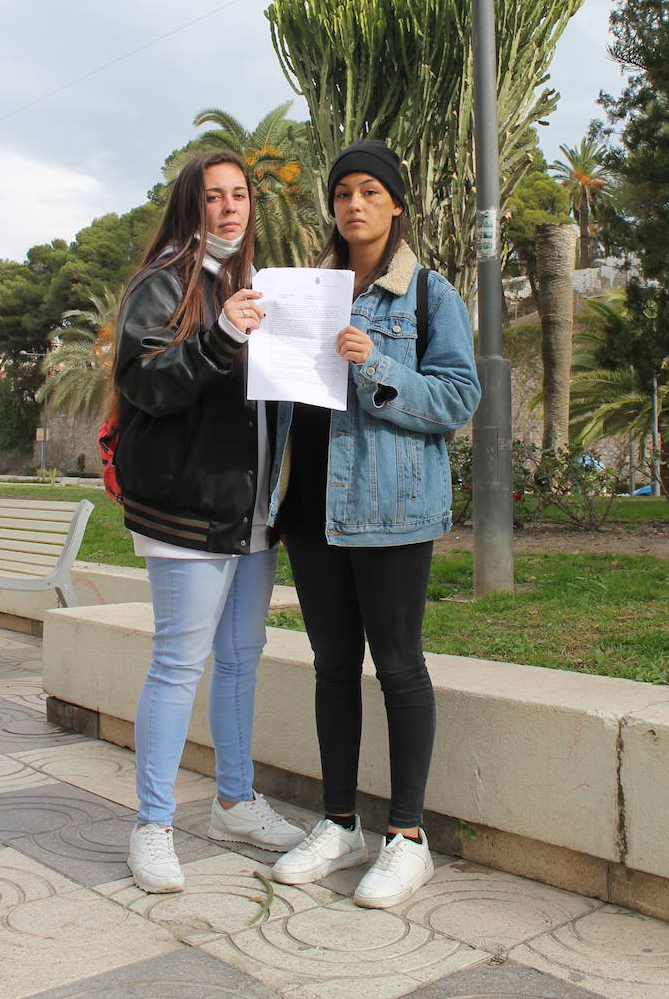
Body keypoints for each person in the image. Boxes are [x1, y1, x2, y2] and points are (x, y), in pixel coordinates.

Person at [269, 140, 480, 910]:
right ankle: (337, 823)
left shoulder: (427, 295)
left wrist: (377, 364)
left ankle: (407, 837)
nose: (353, 205)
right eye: (341, 195)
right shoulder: (306, 291)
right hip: (310, 509)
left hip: (390, 511)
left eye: (368, 192)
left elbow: (458, 400)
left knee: (397, 665)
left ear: (394, 205)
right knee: (331, 668)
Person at [113, 149, 304, 894]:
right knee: (177, 664)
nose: (230, 208)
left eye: (240, 195)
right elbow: (146, 384)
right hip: (184, 511)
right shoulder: (161, 284)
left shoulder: (258, 288)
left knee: (240, 658)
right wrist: (221, 335)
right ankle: (152, 826)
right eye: (213, 196)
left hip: (251, 510)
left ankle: (234, 801)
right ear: (191, 206)